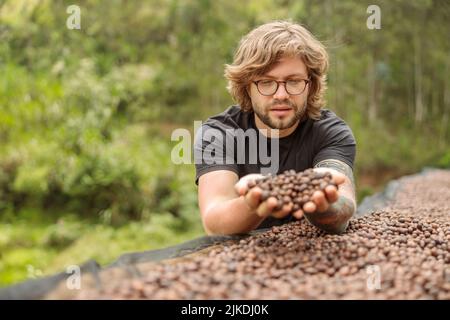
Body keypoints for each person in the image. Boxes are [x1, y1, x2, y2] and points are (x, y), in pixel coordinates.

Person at [194, 21, 356, 236]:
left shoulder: (331, 132)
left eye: (294, 81)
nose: (281, 95)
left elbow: (344, 207)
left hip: (317, 256)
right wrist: (256, 201)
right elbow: (214, 222)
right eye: (266, 82)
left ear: (311, 85)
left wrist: (321, 198)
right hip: (240, 261)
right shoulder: (218, 134)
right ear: (246, 87)